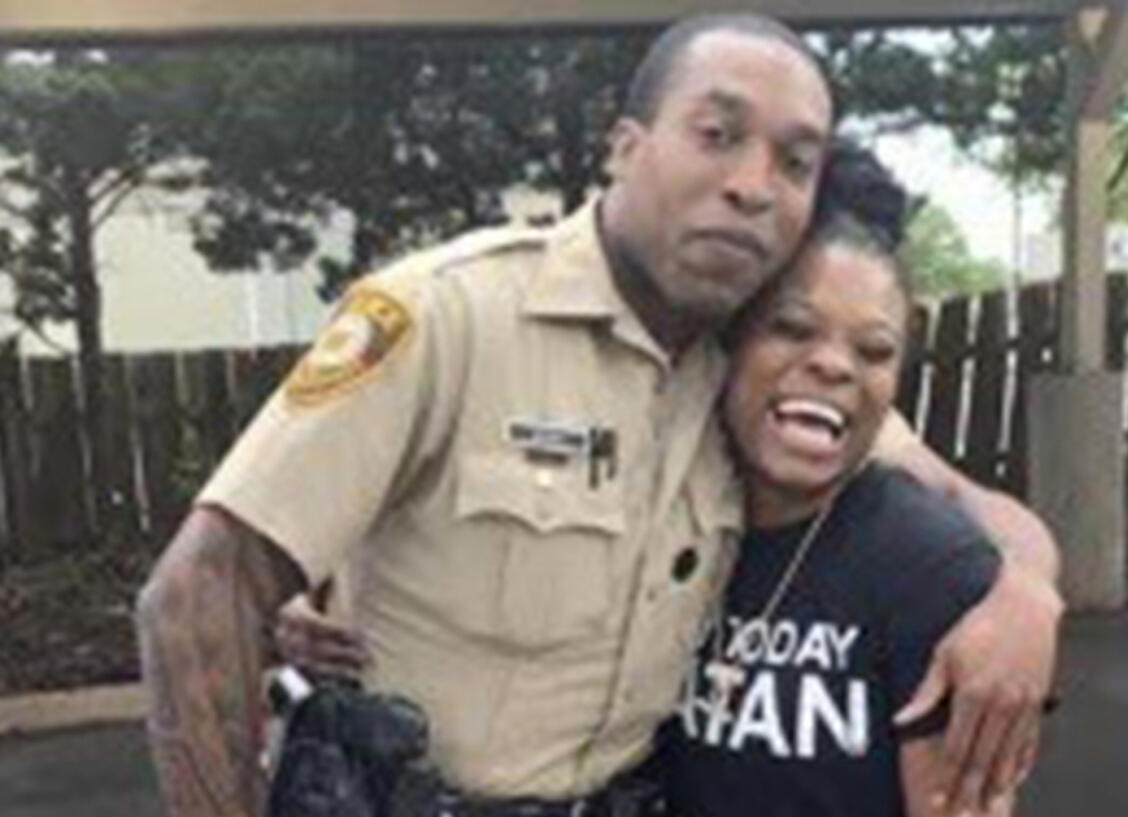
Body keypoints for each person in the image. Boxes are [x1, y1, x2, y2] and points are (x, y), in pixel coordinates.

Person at [135, 13, 1061, 817]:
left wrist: (1028, 595)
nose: (753, 182)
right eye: (717, 133)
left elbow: (965, 497)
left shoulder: (753, 372)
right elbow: (195, 597)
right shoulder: (450, 315)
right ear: (625, 147)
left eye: (795, 160)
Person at [656, 141, 1015, 817]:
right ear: (730, 347)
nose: (834, 365)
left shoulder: (929, 566)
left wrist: (1025, 585)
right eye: (791, 328)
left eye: (874, 350)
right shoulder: (673, 521)